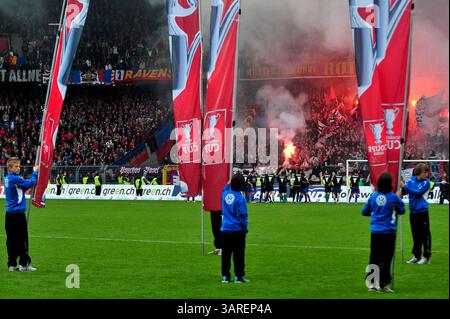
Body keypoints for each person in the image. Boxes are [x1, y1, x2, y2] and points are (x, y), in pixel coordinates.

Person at [362, 172, 405, 293]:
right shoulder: (393, 197)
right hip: (389, 232)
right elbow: (402, 210)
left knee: (374, 256)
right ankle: (382, 283)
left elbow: (364, 212)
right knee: (386, 258)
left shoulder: (373, 196)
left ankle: (371, 283)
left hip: (375, 231)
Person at [4, 157, 39, 272]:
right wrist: (35, 172)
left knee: (11, 240)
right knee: (22, 239)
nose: (18, 168)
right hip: (18, 214)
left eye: (19, 166)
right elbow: (31, 183)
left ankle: (12, 264)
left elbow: (20, 189)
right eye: (16, 166)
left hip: (9, 214)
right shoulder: (15, 178)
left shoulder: (8, 178)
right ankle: (24, 263)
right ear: (10, 168)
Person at [400, 163, 432, 265]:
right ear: (419, 172)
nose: (427, 174)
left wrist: (404, 186)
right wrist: (400, 189)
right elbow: (405, 191)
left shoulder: (426, 182)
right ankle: (416, 255)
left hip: (422, 212)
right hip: (413, 213)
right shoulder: (412, 180)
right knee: (415, 235)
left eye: (427, 172)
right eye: (425, 172)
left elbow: (416, 192)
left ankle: (426, 256)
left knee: (425, 234)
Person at [221, 172, 249, 283]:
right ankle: (239, 276)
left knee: (226, 255)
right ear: (241, 185)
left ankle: (225, 276)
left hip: (225, 229)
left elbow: (225, 186)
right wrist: (245, 229)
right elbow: (243, 217)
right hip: (237, 230)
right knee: (239, 255)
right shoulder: (241, 199)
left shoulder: (224, 194)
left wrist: (231, 179)